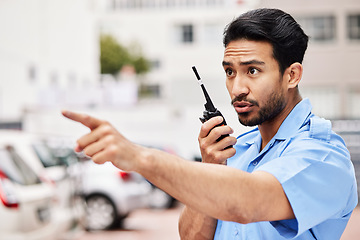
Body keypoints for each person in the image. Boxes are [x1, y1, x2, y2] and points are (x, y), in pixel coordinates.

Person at [62, 8, 358, 240]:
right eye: (230, 72)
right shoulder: (234, 150)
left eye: (252, 71)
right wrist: (210, 167)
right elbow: (191, 237)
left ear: (292, 75)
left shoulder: (323, 156)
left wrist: (141, 158)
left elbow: (246, 202)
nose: (237, 88)